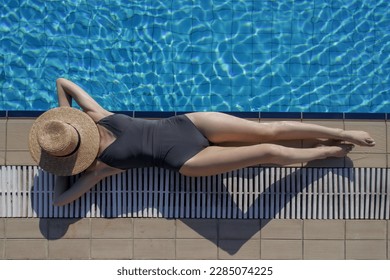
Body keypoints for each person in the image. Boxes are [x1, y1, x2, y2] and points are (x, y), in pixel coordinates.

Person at [29, 78, 375, 206]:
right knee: (266, 152)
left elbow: (64, 81)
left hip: (187, 123)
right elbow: (61, 202)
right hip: (186, 162)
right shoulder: (100, 167)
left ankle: (344, 134)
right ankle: (325, 151)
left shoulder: (96, 116)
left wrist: (67, 137)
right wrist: (68, 161)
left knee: (267, 130)